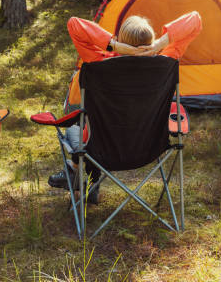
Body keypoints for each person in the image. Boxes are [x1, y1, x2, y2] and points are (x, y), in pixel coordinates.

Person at [48, 11, 202, 204]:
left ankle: (75, 172)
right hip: (148, 148)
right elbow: (195, 20)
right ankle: (89, 185)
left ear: (121, 40)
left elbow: (74, 24)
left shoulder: (99, 61)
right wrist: (159, 45)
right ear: (151, 39)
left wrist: (115, 46)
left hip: (102, 147)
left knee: (78, 128)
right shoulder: (166, 61)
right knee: (91, 128)